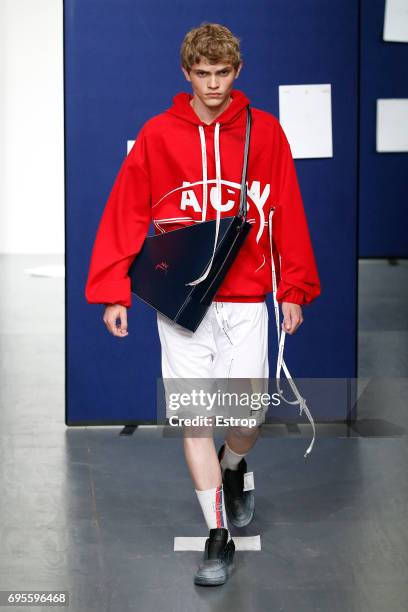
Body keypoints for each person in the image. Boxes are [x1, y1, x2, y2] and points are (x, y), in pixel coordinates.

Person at [85, 22, 321, 586]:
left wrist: (292, 287)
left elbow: (285, 207)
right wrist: (115, 291)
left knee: (246, 417)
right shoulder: (158, 135)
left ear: (237, 73)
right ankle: (218, 536)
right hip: (181, 303)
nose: (213, 84)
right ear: (186, 73)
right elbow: (127, 214)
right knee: (195, 417)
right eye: (202, 74)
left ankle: (234, 466)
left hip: (244, 298)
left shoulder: (263, 134)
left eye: (222, 73)